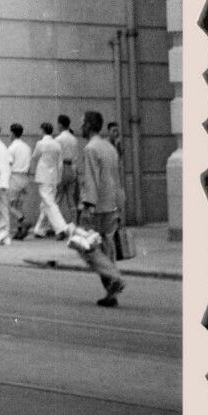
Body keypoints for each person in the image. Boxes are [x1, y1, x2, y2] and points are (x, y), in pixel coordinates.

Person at [77, 111, 126, 308]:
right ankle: (110, 294)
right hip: (112, 205)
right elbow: (116, 178)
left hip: (96, 207)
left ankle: (114, 277)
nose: (80, 127)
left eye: (82, 123)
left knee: (86, 247)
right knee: (107, 248)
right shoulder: (109, 147)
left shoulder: (90, 148)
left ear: (89, 125)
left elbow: (91, 179)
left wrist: (88, 206)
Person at [30, 122, 69, 239]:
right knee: (46, 203)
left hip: (43, 176)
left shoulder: (40, 143)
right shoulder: (57, 144)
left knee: (49, 203)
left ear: (42, 130)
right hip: (54, 177)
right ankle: (40, 229)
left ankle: (62, 228)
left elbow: (34, 157)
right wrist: (59, 177)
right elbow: (60, 163)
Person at [7, 122, 33, 240]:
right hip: (25, 178)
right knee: (19, 206)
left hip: (15, 177)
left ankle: (24, 221)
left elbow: (8, 164)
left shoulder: (12, 147)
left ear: (12, 133)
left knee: (11, 206)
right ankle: (20, 230)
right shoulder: (27, 147)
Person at [55, 115, 79, 224]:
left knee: (58, 198)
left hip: (61, 168)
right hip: (72, 168)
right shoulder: (74, 139)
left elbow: (55, 156)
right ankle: (74, 222)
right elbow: (76, 156)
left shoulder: (58, 139)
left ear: (60, 124)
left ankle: (57, 225)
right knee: (71, 199)